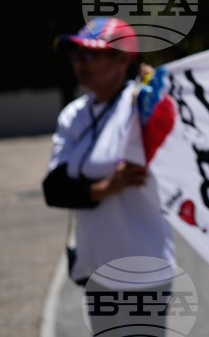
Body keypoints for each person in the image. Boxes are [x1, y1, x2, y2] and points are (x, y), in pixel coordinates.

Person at [42, 17, 174, 333]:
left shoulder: (140, 103)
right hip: (97, 269)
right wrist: (104, 187)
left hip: (143, 271)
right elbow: (54, 189)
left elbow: (170, 113)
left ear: (121, 59)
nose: (79, 63)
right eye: (76, 55)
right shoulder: (73, 115)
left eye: (90, 54)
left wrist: (156, 87)